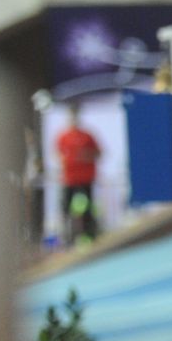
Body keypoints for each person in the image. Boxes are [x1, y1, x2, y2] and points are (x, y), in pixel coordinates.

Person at [54, 105, 102, 245]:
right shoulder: (63, 137)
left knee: (88, 208)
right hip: (70, 179)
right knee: (67, 208)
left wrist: (85, 156)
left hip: (86, 178)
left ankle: (90, 235)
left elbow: (98, 153)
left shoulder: (87, 136)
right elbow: (58, 155)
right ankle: (68, 237)